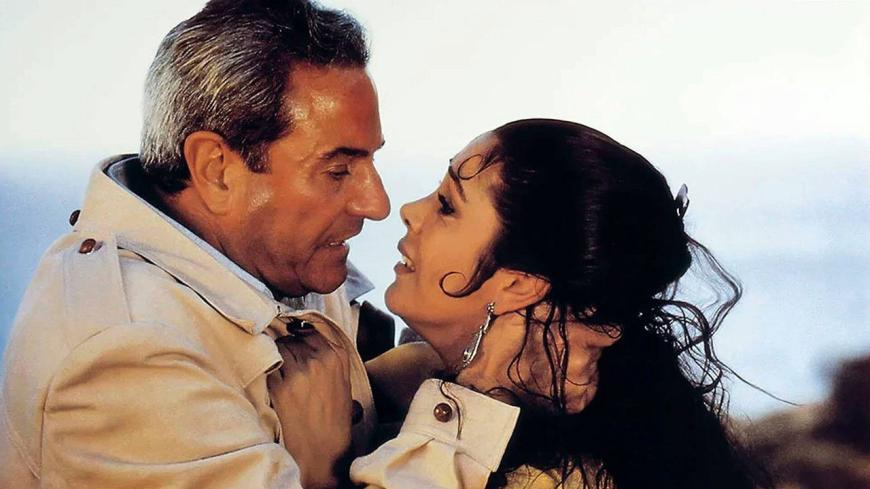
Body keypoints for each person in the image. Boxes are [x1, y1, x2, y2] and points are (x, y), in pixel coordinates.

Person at [0, 1, 455, 488]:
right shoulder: (129, 358)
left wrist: (430, 367)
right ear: (216, 169)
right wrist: (320, 473)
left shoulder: (263, 255)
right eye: (338, 170)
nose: (377, 203)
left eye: (369, 162)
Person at [345, 119, 772, 488]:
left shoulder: (548, 476)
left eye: (447, 206)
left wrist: (465, 401)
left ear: (519, 285)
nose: (409, 210)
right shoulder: (419, 382)